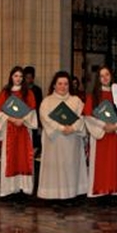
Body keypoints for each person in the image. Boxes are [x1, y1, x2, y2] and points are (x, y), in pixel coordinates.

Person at [37, 70, 88, 200]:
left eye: (65, 84)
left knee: (70, 166)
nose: (62, 86)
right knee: (55, 168)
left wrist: (73, 127)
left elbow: (82, 117)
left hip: (71, 141)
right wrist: (60, 127)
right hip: (54, 141)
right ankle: (53, 194)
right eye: (59, 83)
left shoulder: (76, 101)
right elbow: (45, 118)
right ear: (54, 85)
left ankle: (71, 193)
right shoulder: (47, 101)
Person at [83, 66, 117, 200]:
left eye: (107, 75)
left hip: (115, 134)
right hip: (100, 135)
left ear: (111, 76)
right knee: (100, 164)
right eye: (101, 76)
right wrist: (104, 125)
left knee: (115, 164)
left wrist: (116, 126)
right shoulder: (93, 96)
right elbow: (88, 116)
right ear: (98, 79)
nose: (105, 78)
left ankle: (115, 191)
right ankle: (99, 191)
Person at [0, 66, 38, 198]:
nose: (18, 79)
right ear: (11, 77)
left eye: (20, 76)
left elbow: (32, 112)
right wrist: (11, 119)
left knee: (24, 156)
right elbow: (0, 112)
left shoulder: (28, 93)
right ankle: (9, 188)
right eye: (16, 76)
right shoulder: (5, 92)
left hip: (24, 129)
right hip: (9, 128)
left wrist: (23, 120)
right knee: (10, 156)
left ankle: (24, 186)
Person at [24, 66, 43, 158]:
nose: (29, 80)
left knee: (35, 141)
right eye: (27, 77)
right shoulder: (21, 90)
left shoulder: (37, 90)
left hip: (34, 117)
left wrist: (40, 123)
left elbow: (39, 106)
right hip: (23, 117)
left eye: (31, 77)